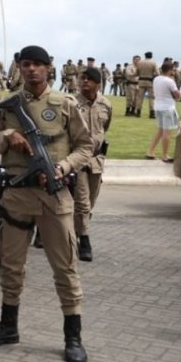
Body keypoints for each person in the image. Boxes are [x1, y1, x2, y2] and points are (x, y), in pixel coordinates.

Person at [0, 45, 92, 362]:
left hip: (55, 197)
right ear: (19, 68)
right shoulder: (6, 106)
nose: (31, 70)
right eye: (26, 65)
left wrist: (65, 167)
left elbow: (86, 146)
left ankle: (73, 337)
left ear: (48, 68)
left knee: (65, 269)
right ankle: (8, 327)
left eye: (37, 65)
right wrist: (9, 135)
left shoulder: (65, 104)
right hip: (17, 196)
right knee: (12, 265)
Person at [73, 67, 112, 262]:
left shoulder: (105, 104)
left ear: (98, 84)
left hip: (96, 159)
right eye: (83, 78)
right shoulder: (71, 103)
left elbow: (105, 128)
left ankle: (75, 230)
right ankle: (85, 241)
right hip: (78, 159)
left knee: (91, 201)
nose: (85, 82)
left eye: (89, 80)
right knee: (82, 202)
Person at [146, 61, 181, 161]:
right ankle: (165, 155)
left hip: (158, 106)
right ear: (170, 70)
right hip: (168, 107)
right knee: (167, 133)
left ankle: (150, 151)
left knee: (160, 131)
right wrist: (179, 93)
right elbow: (177, 96)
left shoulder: (156, 79)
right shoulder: (170, 81)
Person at [133, 51, 157, 118]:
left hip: (141, 81)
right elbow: (157, 73)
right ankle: (152, 113)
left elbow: (136, 73)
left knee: (140, 98)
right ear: (151, 56)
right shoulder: (153, 63)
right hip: (150, 82)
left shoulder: (140, 63)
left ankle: (138, 112)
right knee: (151, 98)